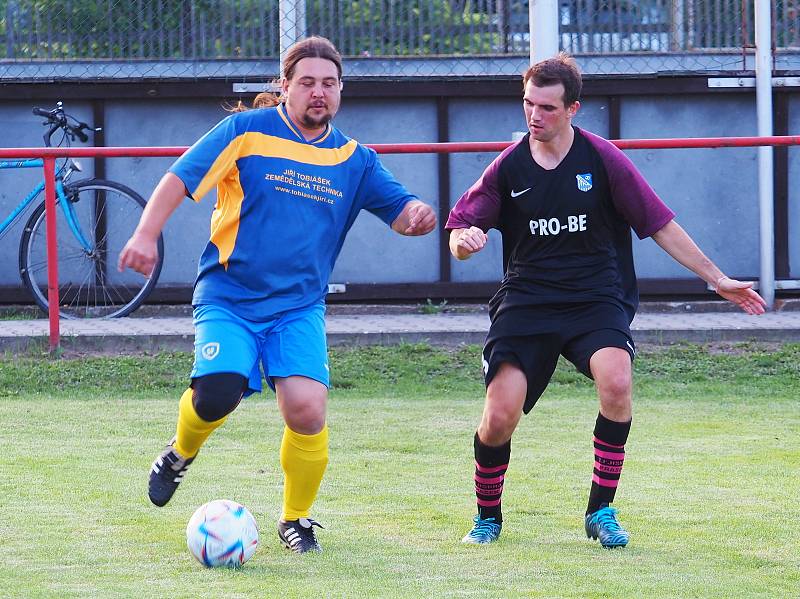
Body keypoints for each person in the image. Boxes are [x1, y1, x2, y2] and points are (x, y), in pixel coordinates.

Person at [118, 36, 436, 554]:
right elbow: (179, 178)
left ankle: (297, 519)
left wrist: (418, 218)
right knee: (216, 392)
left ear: (340, 91)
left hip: (298, 307)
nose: (318, 92)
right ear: (284, 86)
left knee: (308, 410)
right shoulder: (245, 132)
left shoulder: (355, 160)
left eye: (328, 84)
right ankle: (179, 453)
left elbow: (402, 212)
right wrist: (145, 233)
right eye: (307, 82)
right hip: (229, 294)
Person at [445, 52, 766, 549]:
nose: (534, 116)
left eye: (547, 107)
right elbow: (461, 229)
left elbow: (659, 224)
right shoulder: (508, 167)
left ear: (573, 108)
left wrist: (717, 279)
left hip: (596, 296)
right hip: (527, 300)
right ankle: (488, 517)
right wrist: (463, 243)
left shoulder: (603, 159)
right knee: (499, 415)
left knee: (617, 382)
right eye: (529, 104)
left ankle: (601, 510)